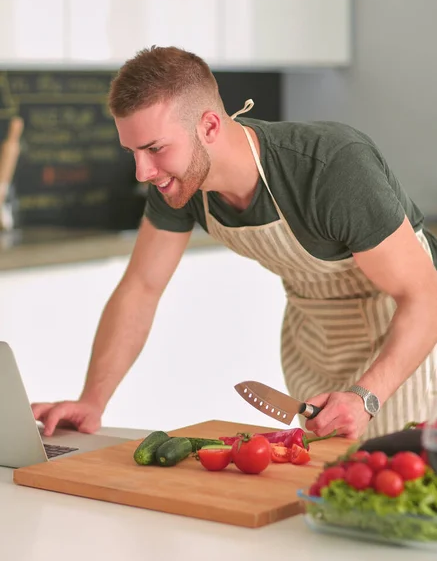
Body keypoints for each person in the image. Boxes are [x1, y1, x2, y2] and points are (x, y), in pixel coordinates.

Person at [32, 46, 437, 441]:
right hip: (316, 342)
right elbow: (141, 287)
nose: (142, 171)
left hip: (407, 345)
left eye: (155, 149)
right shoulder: (177, 184)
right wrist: (92, 401)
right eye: (132, 152)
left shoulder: (330, 168)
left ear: (209, 126)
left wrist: (365, 396)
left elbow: (424, 296)